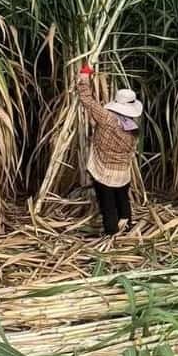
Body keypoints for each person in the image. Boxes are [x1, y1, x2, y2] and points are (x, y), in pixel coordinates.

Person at [77, 63, 142, 235]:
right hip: (122, 173)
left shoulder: (108, 118)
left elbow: (87, 101)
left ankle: (111, 234)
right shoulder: (134, 129)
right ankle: (127, 228)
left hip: (104, 171)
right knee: (122, 200)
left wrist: (84, 76)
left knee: (107, 204)